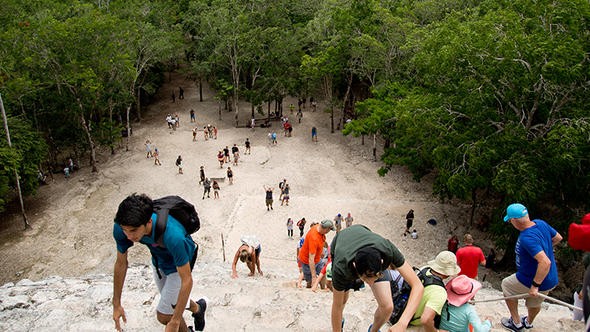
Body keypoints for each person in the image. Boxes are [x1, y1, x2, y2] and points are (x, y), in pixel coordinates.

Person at [112, 194, 206, 332]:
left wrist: (175, 320)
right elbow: (121, 264)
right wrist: (116, 303)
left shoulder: (174, 236)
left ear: (149, 222)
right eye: (125, 230)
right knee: (172, 304)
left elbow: (187, 280)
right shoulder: (122, 227)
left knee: (164, 315)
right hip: (159, 261)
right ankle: (198, 308)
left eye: (133, 231)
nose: (129, 236)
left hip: (180, 262)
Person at [330, 224, 424, 332]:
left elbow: (417, 286)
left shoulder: (387, 249)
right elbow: (336, 306)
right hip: (342, 243)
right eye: (365, 279)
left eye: (375, 277)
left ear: (382, 262)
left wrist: (402, 323)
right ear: (355, 266)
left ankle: (373, 330)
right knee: (342, 300)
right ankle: (340, 321)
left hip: (369, 246)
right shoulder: (341, 267)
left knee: (387, 306)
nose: (370, 284)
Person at [500, 203, 563, 332]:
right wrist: (544, 249)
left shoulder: (526, 238)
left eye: (510, 220)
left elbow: (545, 262)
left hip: (531, 279)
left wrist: (535, 285)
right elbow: (558, 237)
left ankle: (516, 323)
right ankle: (528, 323)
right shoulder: (540, 223)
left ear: (514, 221)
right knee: (535, 303)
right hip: (550, 279)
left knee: (506, 285)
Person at [409, 251, 460, 332]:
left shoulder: (424, 269)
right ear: (447, 273)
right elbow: (425, 319)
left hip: (403, 311)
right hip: (413, 323)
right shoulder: (440, 292)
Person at [299, 220, 334, 290]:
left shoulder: (318, 227)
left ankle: (322, 288)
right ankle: (310, 288)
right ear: (326, 229)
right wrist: (314, 276)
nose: (328, 232)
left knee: (323, 273)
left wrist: (321, 251)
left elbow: (322, 241)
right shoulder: (314, 238)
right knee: (309, 280)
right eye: (329, 230)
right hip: (306, 260)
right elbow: (311, 259)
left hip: (317, 258)